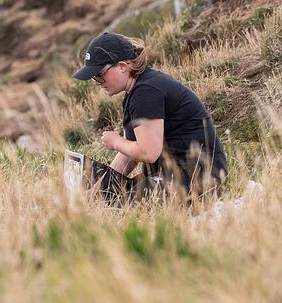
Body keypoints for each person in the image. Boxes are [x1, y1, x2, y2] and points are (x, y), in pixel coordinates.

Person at [73, 32, 227, 200]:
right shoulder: (139, 89)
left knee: (120, 209)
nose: (96, 82)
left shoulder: (146, 92)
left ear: (123, 66)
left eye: (99, 74)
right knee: (104, 192)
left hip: (197, 180)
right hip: (177, 176)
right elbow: (128, 156)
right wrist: (101, 186)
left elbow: (148, 153)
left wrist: (117, 142)